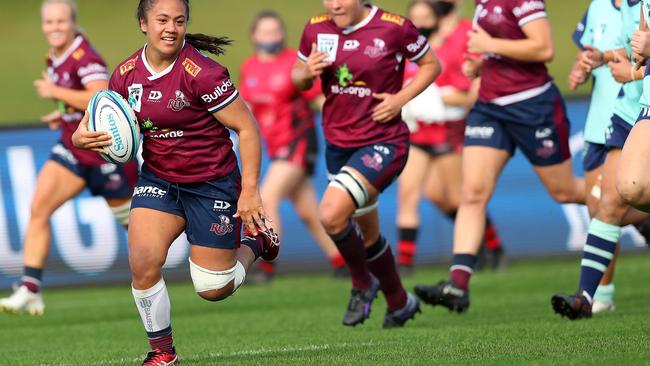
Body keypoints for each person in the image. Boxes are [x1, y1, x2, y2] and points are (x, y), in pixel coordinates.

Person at [72, 0, 279, 364]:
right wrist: (80, 137)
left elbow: (247, 128)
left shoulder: (203, 73)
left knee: (213, 289)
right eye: (162, 20)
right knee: (143, 262)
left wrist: (250, 192)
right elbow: (98, 121)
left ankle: (257, 242)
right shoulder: (125, 74)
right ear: (143, 24)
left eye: (178, 21)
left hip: (212, 183)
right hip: (160, 181)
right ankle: (163, 354)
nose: (170, 28)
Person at [414, 0, 586, 314]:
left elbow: (543, 48)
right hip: (489, 108)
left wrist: (490, 45)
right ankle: (458, 283)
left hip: (531, 106)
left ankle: (629, 210)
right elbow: (499, 51)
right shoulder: (483, 3)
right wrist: (482, 65)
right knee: (472, 193)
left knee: (565, 191)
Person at [292, 0, 440, 328]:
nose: (334, 4)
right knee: (368, 236)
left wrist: (400, 99)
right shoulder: (316, 27)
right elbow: (298, 77)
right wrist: (306, 73)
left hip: (384, 141)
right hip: (338, 144)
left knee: (331, 215)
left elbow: (432, 65)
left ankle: (361, 282)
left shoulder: (394, 26)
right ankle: (400, 303)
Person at [0, 0, 138, 316]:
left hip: (104, 154)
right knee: (38, 208)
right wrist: (60, 113)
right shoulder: (54, 56)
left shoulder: (83, 56)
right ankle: (30, 288)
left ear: (73, 22)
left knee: (140, 230)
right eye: (49, 22)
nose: (55, 28)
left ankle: (205, 254)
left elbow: (99, 94)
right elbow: (78, 104)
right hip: (72, 151)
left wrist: (55, 93)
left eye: (61, 21)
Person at [551, 0, 648, 320]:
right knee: (609, 202)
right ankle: (588, 297)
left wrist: (635, 72)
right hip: (626, 110)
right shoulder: (620, 6)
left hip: (638, 102)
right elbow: (625, 51)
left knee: (625, 197)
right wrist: (603, 59)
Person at [396, 0, 505, 275]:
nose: (420, 24)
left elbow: (467, 90)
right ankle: (404, 265)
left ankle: (491, 246)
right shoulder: (407, 52)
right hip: (417, 133)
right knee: (414, 193)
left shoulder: (457, 40)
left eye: (425, 17)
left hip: (449, 132)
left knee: (459, 199)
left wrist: (437, 98)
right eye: (415, 19)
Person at [239, 10, 346, 282]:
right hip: (275, 146)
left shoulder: (292, 63)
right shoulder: (249, 67)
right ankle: (344, 261)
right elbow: (246, 108)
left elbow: (318, 97)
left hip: (299, 140)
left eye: (275, 32)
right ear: (254, 36)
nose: (271, 37)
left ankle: (266, 267)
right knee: (309, 211)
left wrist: (348, 117)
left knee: (268, 196)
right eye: (265, 32)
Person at [567, 0, 624, 315]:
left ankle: (600, 294)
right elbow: (586, 51)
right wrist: (581, 68)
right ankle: (602, 293)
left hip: (633, 119)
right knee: (596, 209)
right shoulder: (598, 6)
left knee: (610, 206)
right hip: (598, 122)